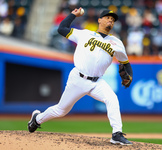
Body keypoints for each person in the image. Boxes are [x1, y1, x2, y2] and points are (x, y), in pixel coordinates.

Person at [27, 8, 133, 146]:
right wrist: (73, 15)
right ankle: (37, 119)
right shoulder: (84, 34)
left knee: (112, 99)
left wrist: (129, 75)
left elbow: (125, 62)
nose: (110, 21)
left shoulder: (117, 43)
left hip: (97, 82)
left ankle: (116, 134)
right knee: (61, 110)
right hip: (78, 78)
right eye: (107, 18)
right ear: (99, 20)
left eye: (113, 20)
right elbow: (62, 29)